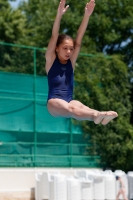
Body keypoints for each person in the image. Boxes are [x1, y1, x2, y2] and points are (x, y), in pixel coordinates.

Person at [45, 0, 118, 125]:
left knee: (84, 108)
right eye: (65, 48)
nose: (69, 52)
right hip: (54, 103)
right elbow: (54, 35)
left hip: (68, 100)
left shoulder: (71, 62)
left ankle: (101, 116)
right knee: (72, 109)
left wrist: (87, 15)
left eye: (71, 49)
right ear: (56, 48)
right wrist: (59, 15)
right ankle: (97, 115)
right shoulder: (51, 59)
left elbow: (79, 39)